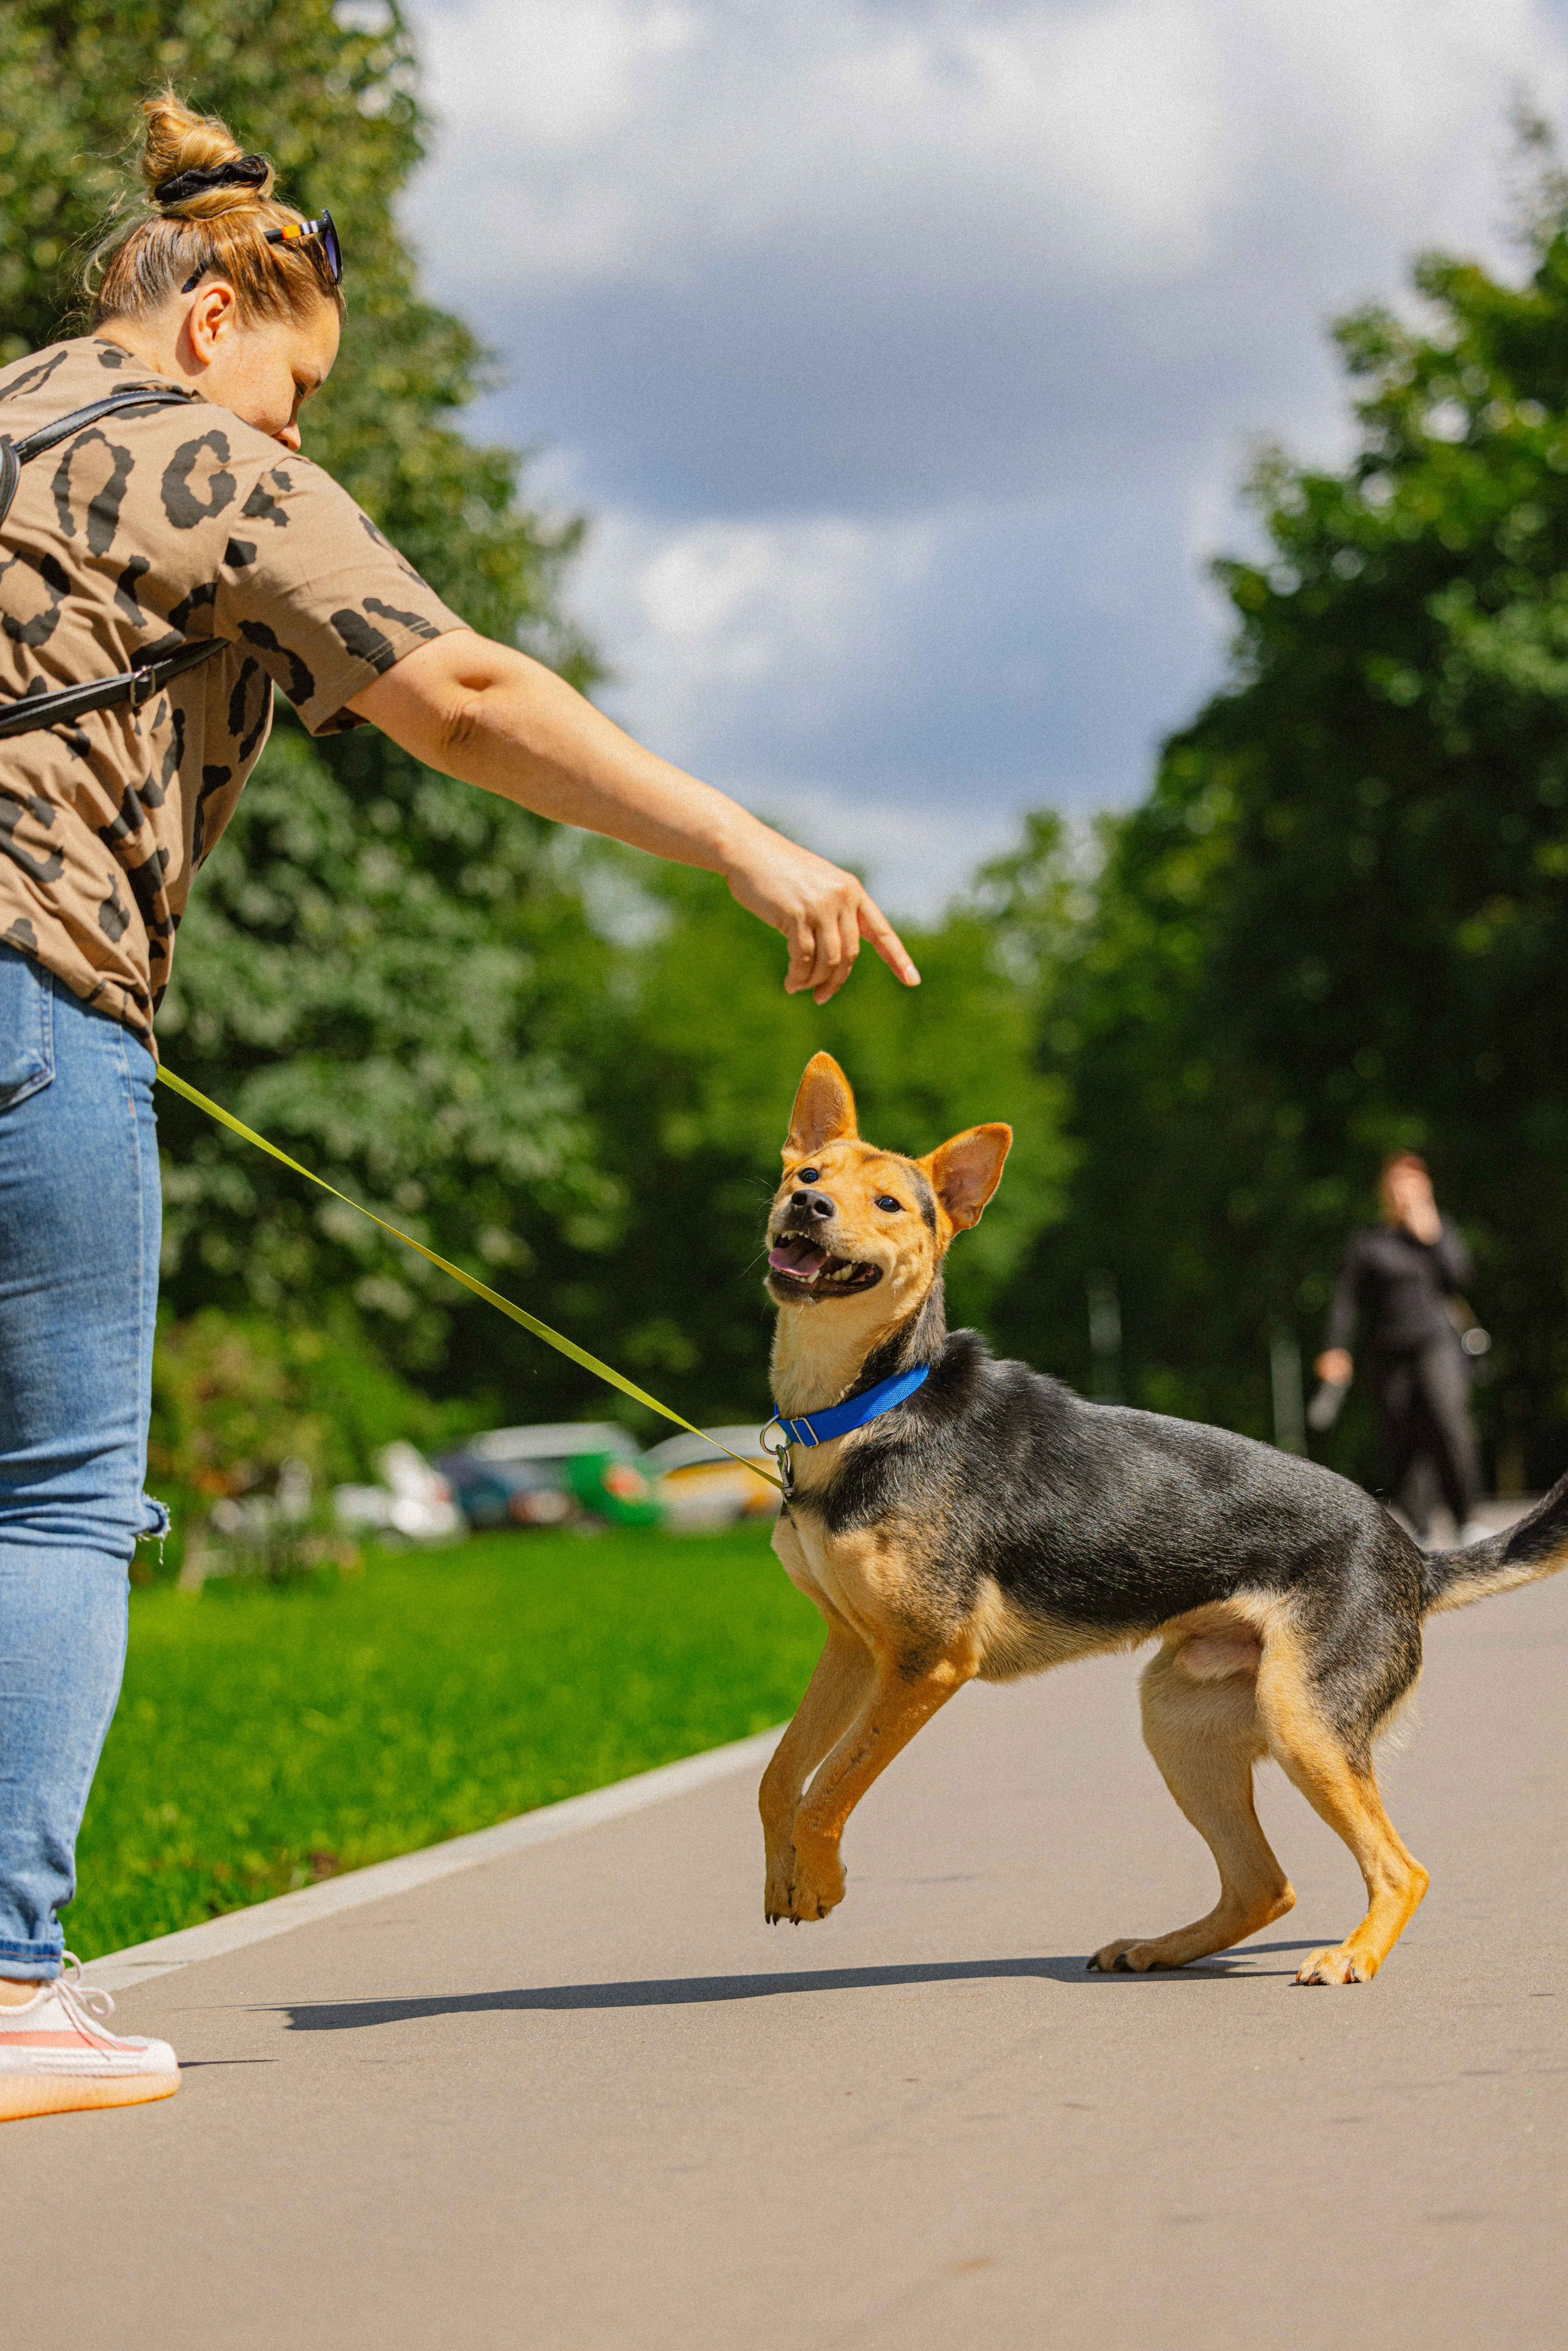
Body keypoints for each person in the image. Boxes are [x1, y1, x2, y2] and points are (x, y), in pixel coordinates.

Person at [0, 93, 919, 2121]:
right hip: (27, 994)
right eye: (301, 386)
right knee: (52, 1493)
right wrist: (744, 846)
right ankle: (2, 1989)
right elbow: (464, 696)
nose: (300, 438)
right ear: (216, 313)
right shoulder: (197, 456)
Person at [1314, 1152, 1488, 1550]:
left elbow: (1461, 1279)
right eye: (1397, 1187)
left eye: (1413, 1186)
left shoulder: (1438, 1234)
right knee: (1402, 1436)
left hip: (1436, 1344)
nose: (1405, 1193)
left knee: (1450, 1424)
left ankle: (1467, 1519)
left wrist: (1432, 1237)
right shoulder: (1368, 1243)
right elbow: (1346, 1301)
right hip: (1386, 1351)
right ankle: (1420, 1525)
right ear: (1385, 1194)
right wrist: (1335, 1349)